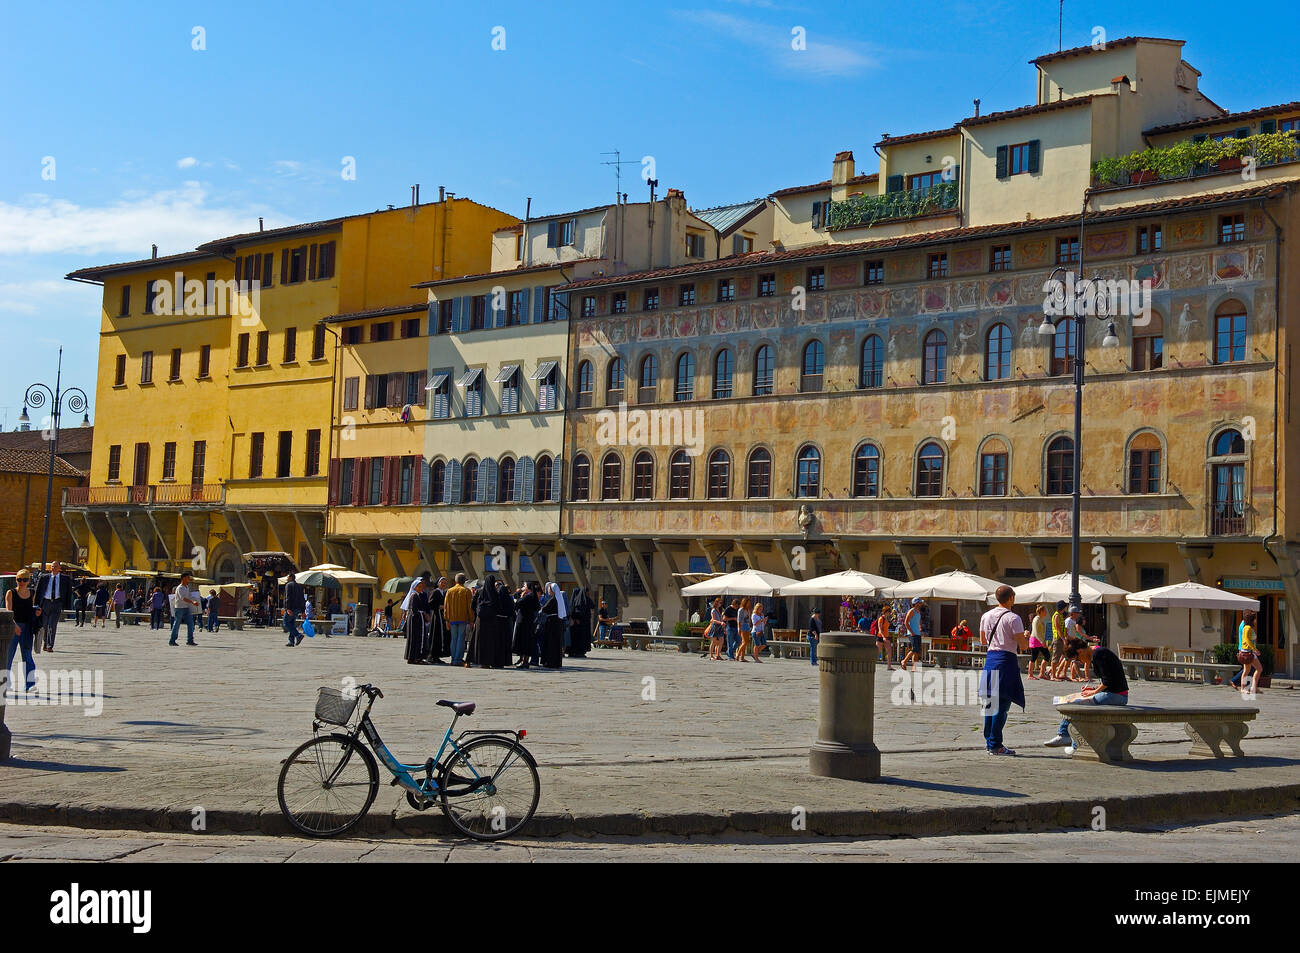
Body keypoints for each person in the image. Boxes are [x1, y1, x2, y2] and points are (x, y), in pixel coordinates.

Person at [1044, 644, 1130, 751]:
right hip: (1116, 694)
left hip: (1116, 696)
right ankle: (1073, 743)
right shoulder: (1098, 652)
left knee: (1076, 703)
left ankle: (1065, 736)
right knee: (1078, 703)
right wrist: (1093, 689)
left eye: (1078, 659)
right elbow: (1109, 680)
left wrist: (1095, 691)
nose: (1081, 661)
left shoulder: (1099, 654)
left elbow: (1108, 680)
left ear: (1080, 651)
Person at [978, 584, 1028, 756]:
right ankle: (996, 744)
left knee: (990, 703)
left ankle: (989, 741)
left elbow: (983, 640)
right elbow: (1023, 645)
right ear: (1011, 598)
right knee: (1003, 704)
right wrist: (1025, 637)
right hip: (1006, 661)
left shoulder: (986, 615)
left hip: (990, 659)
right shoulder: (1014, 618)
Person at [5, 568, 39, 693]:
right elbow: (9, 612)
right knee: (8, 656)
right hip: (13, 627)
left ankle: (30, 685)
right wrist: (14, 626)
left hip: (27, 627)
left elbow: (31, 610)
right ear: (16, 580)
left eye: (24, 580)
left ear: (28, 581)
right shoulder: (11, 593)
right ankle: (6, 683)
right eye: (19, 580)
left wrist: (36, 612)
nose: (22, 582)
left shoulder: (32, 593)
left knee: (27, 656)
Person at [34, 560, 73, 649]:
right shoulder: (44, 577)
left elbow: (68, 592)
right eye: (52, 566)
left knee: (52, 624)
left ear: (59, 568)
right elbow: (38, 591)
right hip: (45, 603)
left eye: (55, 566)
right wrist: (36, 605)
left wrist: (66, 605)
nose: (53, 568)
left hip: (57, 603)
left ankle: (49, 645)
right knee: (45, 624)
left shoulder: (65, 579)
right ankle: (45, 641)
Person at [443, 573, 475, 666]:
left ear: (455, 581)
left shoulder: (449, 591)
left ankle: (453, 658)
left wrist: (446, 619)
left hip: (452, 618)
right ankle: (458, 659)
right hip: (462, 618)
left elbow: (446, 606)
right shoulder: (466, 591)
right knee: (461, 638)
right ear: (464, 581)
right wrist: (471, 619)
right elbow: (469, 607)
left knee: (453, 639)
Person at [1233, 610, 1263, 695]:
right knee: (1255, 669)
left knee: (1252, 669)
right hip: (1247, 652)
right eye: (1254, 619)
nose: (1255, 620)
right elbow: (1246, 640)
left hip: (1249, 651)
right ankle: (1246, 688)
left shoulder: (1248, 627)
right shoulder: (1247, 628)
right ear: (1251, 620)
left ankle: (1252, 687)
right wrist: (1255, 649)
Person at [513, 581, 541, 668]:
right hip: (529, 621)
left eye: (524, 586)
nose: (523, 587)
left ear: (528, 587)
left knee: (524, 642)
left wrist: (520, 596)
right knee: (527, 642)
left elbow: (517, 604)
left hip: (524, 621)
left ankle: (524, 662)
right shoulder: (533, 596)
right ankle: (525, 661)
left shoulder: (528, 596)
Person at [168, 572, 201, 646]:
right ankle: (172, 640)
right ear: (183, 578)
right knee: (176, 624)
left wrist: (195, 600)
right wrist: (192, 602)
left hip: (186, 608)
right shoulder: (180, 588)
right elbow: (183, 598)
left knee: (191, 624)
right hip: (179, 608)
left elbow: (188, 596)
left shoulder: (187, 587)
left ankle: (190, 640)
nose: (189, 579)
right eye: (188, 577)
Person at [539, 582, 567, 669]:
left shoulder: (553, 599)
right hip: (557, 622)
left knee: (551, 642)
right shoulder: (558, 599)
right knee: (556, 643)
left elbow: (545, 609)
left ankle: (550, 661)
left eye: (549, 589)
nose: (547, 590)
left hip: (552, 623)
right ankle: (556, 662)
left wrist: (540, 607)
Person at [403, 578, 431, 664]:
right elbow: (414, 609)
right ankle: (416, 657)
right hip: (416, 620)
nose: (420, 588)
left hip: (415, 619)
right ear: (414, 587)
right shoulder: (414, 596)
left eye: (421, 586)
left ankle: (413, 657)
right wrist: (422, 614)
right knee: (416, 638)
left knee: (415, 638)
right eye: (419, 586)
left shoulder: (415, 595)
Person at [423, 578, 448, 664]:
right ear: (438, 583)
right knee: (435, 636)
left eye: (445, 583)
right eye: (442, 582)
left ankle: (437, 656)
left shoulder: (444, 592)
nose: (444, 584)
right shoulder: (435, 592)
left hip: (442, 616)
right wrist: (438, 606)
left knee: (440, 636)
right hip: (436, 616)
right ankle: (431, 656)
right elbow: (430, 603)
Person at [900, 597, 925, 672]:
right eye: (919, 602)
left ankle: (915, 668)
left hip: (917, 633)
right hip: (912, 634)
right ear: (916, 603)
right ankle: (904, 661)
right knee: (914, 649)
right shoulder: (911, 611)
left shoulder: (918, 612)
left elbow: (918, 620)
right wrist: (911, 632)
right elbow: (906, 622)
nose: (921, 604)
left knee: (917, 651)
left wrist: (920, 627)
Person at [1027, 604, 1052, 680]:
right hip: (1035, 640)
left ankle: (1041, 673)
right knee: (1034, 657)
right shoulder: (1036, 619)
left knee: (1046, 655)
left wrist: (1042, 640)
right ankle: (1030, 675)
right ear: (1041, 611)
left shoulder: (1040, 619)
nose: (1046, 612)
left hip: (1039, 640)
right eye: (1045, 611)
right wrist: (1042, 641)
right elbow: (1035, 632)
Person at [568, 586, 593, 658]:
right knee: (577, 638)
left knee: (583, 638)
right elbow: (574, 611)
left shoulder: (585, 600)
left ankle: (581, 651)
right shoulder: (577, 601)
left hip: (584, 623)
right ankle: (576, 652)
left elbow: (592, 605)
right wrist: (576, 618)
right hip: (579, 624)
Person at [283, 573, 307, 646]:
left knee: (286, 623)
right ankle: (291, 641)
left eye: (287, 577)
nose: (286, 578)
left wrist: (288, 608)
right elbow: (302, 599)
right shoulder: (299, 586)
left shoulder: (289, 585)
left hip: (291, 608)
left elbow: (288, 597)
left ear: (290, 577)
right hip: (298, 608)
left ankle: (298, 635)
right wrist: (303, 611)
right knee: (292, 624)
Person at [1049, 600, 1069, 680]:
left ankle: (1053, 673)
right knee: (1056, 657)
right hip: (1058, 638)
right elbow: (1058, 629)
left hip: (1060, 638)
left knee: (1062, 656)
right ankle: (1053, 676)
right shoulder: (1057, 615)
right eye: (1065, 606)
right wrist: (1063, 639)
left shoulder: (1060, 615)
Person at [735, 596, 754, 662]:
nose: (749, 604)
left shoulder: (748, 610)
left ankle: (742, 657)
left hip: (747, 626)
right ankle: (738, 654)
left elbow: (749, 619)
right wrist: (739, 628)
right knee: (745, 642)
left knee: (745, 642)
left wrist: (750, 626)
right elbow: (739, 620)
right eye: (748, 603)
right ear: (744, 603)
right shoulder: (741, 610)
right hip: (742, 626)